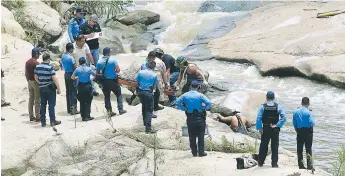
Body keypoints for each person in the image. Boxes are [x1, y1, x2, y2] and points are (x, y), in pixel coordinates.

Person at [175, 81, 211, 157]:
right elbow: (209, 102)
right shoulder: (200, 95)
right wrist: (205, 108)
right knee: (201, 135)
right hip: (200, 116)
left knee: (192, 136)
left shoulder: (185, 95)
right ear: (198, 87)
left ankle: (194, 152)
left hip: (190, 117)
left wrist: (183, 108)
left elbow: (177, 102)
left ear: (190, 86)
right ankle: (201, 152)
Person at [256, 91, 287, 168]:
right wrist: (277, 125)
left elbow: (258, 118)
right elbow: (284, 118)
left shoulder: (262, 107)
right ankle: (274, 164)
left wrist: (260, 128)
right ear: (274, 98)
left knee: (263, 145)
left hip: (265, 128)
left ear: (266, 97)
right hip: (275, 129)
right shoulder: (278, 106)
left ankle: (260, 163)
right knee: (275, 146)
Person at [96, 47, 127, 117]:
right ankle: (121, 109)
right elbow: (118, 70)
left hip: (104, 82)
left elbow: (97, 73)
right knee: (118, 94)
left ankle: (109, 112)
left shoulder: (99, 62)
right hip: (113, 81)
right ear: (108, 53)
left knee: (107, 97)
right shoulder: (113, 60)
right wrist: (113, 72)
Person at [34, 53, 61, 127]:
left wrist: (40, 82)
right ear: (48, 59)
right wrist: (58, 88)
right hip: (50, 88)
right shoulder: (50, 68)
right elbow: (54, 79)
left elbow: (35, 76)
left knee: (43, 104)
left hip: (42, 88)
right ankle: (52, 121)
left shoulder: (37, 66)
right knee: (51, 105)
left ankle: (43, 121)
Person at [293, 97, 315, 170]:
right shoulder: (309, 112)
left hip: (299, 131)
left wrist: (297, 130)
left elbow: (294, 123)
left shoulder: (295, 112)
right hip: (308, 132)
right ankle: (309, 166)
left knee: (299, 149)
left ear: (301, 103)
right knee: (308, 149)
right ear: (308, 104)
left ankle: (301, 166)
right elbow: (312, 123)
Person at [136, 60, 158, 133]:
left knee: (143, 106)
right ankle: (148, 129)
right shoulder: (154, 75)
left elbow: (137, 83)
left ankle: (145, 122)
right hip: (148, 93)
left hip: (140, 92)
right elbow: (154, 87)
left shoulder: (140, 72)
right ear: (154, 67)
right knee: (149, 110)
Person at [71, 57, 95, 121]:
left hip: (80, 86)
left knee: (82, 101)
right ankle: (88, 116)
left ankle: (83, 116)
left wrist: (77, 78)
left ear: (79, 63)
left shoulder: (77, 69)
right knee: (88, 101)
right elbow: (95, 75)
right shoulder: (89, 69)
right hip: (87, 85)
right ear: (85, 62)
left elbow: (72, 77)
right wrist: (91, 78)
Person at [61, 43, 79, 115]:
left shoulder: (63, 56)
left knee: (68, 92)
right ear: (71, 49)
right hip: (72, 74)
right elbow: (75, 68)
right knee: (73, 92)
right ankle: (73, 109)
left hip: (66, 74)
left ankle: (69, 109)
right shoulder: (71, 58)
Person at [24, 48, 41, 121]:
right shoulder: (36, 63)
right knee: (37, 100)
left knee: (31, 99)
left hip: (29, 82)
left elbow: (26, 72)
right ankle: (38, 116)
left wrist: (28, 80)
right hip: (35, 82)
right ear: (36, 54)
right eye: (38, 54)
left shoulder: (27, 62)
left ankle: (31, 116)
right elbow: (38, 74)